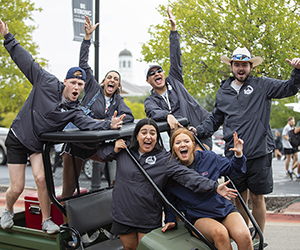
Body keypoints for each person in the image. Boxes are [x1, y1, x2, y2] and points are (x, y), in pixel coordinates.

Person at [0, 18, 125, 233]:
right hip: (18, 138)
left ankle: (46, 221)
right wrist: (7, 37)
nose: (76, 87)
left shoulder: (75, 109)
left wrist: (109, 124)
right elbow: (24, 60)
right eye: (73, 83)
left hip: (37, 144)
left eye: (80, 84)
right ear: (65, 82)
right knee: (17, 187)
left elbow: (88, 124)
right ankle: (9, 209)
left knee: (41, 179)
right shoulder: (45, 81)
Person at [192, 47, 300, 239]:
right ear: (231, 66)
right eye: (237, 65)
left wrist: (297, 72)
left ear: (251, 67)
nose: (240, 68)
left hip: (259, 152)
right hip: (234, 156)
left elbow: (289, 87)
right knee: (239, 199)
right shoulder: (223, 91)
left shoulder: (263, 85)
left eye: (244, 65)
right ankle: (244, 236)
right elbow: (214, 120)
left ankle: (259, 239)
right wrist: (197, 130)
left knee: (258, 198)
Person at [95, 118, 238, 250]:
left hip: (148, 216)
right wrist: (113, 148)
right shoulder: (124, 150)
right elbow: (99, 152)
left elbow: (187, 176)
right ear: (136, 136)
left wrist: (213, 186)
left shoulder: (164, 159)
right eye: (143, 132)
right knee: (129, 248)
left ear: (157, 137)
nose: (148, 136)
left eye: (152, 133)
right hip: (123, 214)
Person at [61, 16, 134, 198]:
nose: (112, 80)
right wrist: (87, 39)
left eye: (116, 79)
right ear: (103, 81)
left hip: (97, 147)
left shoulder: (118, 100)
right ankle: (65, 223)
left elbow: (129, 117)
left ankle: (117, 203)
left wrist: (111, 122)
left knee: (122, 154)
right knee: (69, 190)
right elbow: (83, 65)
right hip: (77, 144)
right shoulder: (94, 88)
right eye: (109, 77)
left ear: (118, 86)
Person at [162, 128, 253, 250]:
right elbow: (169, 199)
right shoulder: (172, 170)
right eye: (178, 143)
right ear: (173, 148)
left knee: (244, 235)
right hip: (198, 216)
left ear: (193, 144)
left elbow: (233, 169)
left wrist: (238, 155)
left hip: (221, 208)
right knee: (220, 233)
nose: (182, 145)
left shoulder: (208, 157)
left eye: (186, 141)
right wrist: (171, 219)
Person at [143, 8, 212, 150]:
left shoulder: (174, 79)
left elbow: (175, 57)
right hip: (180, 139)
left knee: (201, 159)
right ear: (147, 81)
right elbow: (152, 112)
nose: (157, 74)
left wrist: (173, 30)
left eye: (159, 70)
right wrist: (167, 115)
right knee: (183, 167)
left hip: (200, 129)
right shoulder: (150, 100)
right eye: (152, 73)